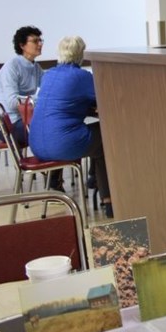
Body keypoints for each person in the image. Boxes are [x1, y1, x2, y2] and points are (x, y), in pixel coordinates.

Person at [29, 36, 113, 217]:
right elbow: (103, 99)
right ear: (81, 54)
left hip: (36, 145)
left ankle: (92, 179)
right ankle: (108, 200)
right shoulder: (81, 76)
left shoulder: (48, 74)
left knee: (91, 136)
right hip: (63, 144)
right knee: (106, 135)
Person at [0, 25, 44, 148]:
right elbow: (12, 102)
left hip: (27, 119)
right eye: (35, 41)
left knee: (57, 128)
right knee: (49, 134)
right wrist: (35, 100)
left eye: (40, 40)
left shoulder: (36, 67)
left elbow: (47, 89)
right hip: (10, 124)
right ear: (22, 45)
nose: (39, 44)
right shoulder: (11, 67)